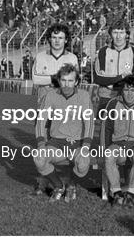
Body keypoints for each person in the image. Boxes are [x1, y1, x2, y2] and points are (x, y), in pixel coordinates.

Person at [33, 64, 94, 202]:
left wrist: (85, 146)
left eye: (70, 81)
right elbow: (41, 120)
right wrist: (41, 144)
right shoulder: (51, 95)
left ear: (76, 81)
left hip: (76, 143)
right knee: (39, 158)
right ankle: (58, 186)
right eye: (64, 80)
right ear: (59, 81)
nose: (67, 84)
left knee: (83, 163)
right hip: (56, 143)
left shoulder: (83, 96)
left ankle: (71, 185)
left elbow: (89, 122)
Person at [104, 75, 134, 207]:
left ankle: (131, 194)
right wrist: (106, 148)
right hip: (119, 143)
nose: (129, 94)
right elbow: (106, 129)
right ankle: (117, 194)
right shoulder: (113, 104)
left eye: (133, 90)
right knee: (109, 155)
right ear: (121, 91)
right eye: (126, 90)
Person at [94, 20, 134, 116]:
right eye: (115, 32)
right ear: (110, 34)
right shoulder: (103, 52)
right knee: (102, 128)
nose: (118, 36)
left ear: (126, 34)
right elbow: (98, 78)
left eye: (121, 32)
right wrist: (122, 76)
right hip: (106, 98)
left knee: (128, 129)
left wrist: (110, 83)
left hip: (128, 99)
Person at [32, 24, 78, 104]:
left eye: (60, 38)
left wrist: (47, 81)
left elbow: (74, 81)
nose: (57, 41)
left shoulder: (72, 58)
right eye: (54, 37)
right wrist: (58, 79)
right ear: (49, 39)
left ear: (66, 40)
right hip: (44, 105)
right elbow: (36, 79)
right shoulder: (40, 57)